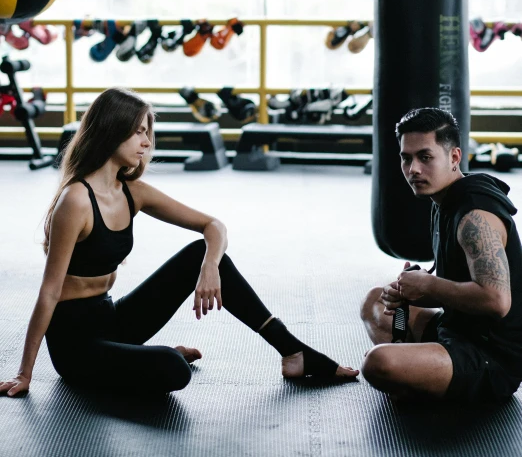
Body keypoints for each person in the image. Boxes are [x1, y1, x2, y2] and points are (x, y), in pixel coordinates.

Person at [0, 88, 358, 397]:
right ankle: (143, 356)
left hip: (111, 319)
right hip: (75, 346)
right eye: (138, 132)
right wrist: (25, 373)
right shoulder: (76, 200)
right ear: (111, 131)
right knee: (174, 368)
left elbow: (212, 225)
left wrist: (209, 267)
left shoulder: (131, 192)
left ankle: (293, 352)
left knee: (200, 253)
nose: (146, 142)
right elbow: (48, 292)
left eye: (147, 132)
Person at [360, 107, 522, 404]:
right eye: (406, 158)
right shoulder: (445, 200)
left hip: (489, 359)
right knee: (374, 300)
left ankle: (414, 372)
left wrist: (428, 285)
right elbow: (456, 288)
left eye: (425, 157)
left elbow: (496, 301)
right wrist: (409, 291)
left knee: (378, 363)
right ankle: (419, 370)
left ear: (455, 157)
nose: (413, 170)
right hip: (455, 330)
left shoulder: (474, 216)